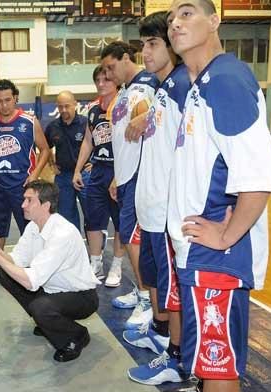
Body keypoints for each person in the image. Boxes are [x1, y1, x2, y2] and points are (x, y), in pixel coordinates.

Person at [163, 1, 271, 392]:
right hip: (198, 251)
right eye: (171, 18)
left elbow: (260, 172)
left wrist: (227, 235)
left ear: (215, 21)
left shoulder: (226, 79)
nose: (176, 23)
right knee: (208, 365)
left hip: (216, 255)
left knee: (218, 366)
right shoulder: (201, 84)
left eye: (187, 13)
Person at [121, 10, 189, 387]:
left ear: (172, 45)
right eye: (142, 45)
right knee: (158, 281)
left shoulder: (182, 87)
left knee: (173, 288)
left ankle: (176, 357)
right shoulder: (162, 89)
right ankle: (163, 334)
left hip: (166, 212)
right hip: (150, 209)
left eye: (153, 44)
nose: (145, 52)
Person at [0, 180, 99, 362]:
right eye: (24, 199)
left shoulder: (62, 234)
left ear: (46, 205)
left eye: (29, 200)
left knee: (40, 308)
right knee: (4, 273)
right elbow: (16, 261)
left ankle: (76, 335)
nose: (23, 205)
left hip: (81, 296)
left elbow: (30, 282)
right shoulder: (34, 226)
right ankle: (49, 323)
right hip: (52, 289)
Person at [101, 41, 159, 329]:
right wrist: (117, 175)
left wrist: (135, 174)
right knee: (129, 237)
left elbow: (150, 129)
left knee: (134, 239)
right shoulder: (126, 89)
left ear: (127, 58)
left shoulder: (144, 85)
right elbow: (124, 139)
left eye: (111, 67)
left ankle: (148, 298)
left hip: (137, 176)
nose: (108, 75)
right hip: (125, 176)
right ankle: (141, 290)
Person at [0, 79, 50, 286]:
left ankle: (35, 268)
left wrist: (35, 174)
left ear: (15, 98)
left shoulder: (29, 121)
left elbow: (45, 149)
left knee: (31, 229)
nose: (4, 105)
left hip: (24, 188)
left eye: (8, 100)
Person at [73, 66, 126, 287]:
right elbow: (88, 141)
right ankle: (96, 264)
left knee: (120, 222)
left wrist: (120, 174)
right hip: (98, 170)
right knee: (93, 220)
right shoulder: (93, 109)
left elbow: (131, 143)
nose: (101, 84)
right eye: (98, 80)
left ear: (116, 81)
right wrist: (78, 169)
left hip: (120, 170)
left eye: (106, 80)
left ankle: (117, 265)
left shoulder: (124, 106)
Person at [44, 90, 88, 232]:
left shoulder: (86, 124)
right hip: (63, 176)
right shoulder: (53, 127)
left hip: (84, 174)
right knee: (66, 216)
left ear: (75, 104)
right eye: (60, 106)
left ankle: (95, 243)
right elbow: (45, 147)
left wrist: (94, 163)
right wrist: (51, 164)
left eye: (67, 106)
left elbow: (96, 144)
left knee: (91, 212)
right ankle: (73, 242)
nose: (63, 110)